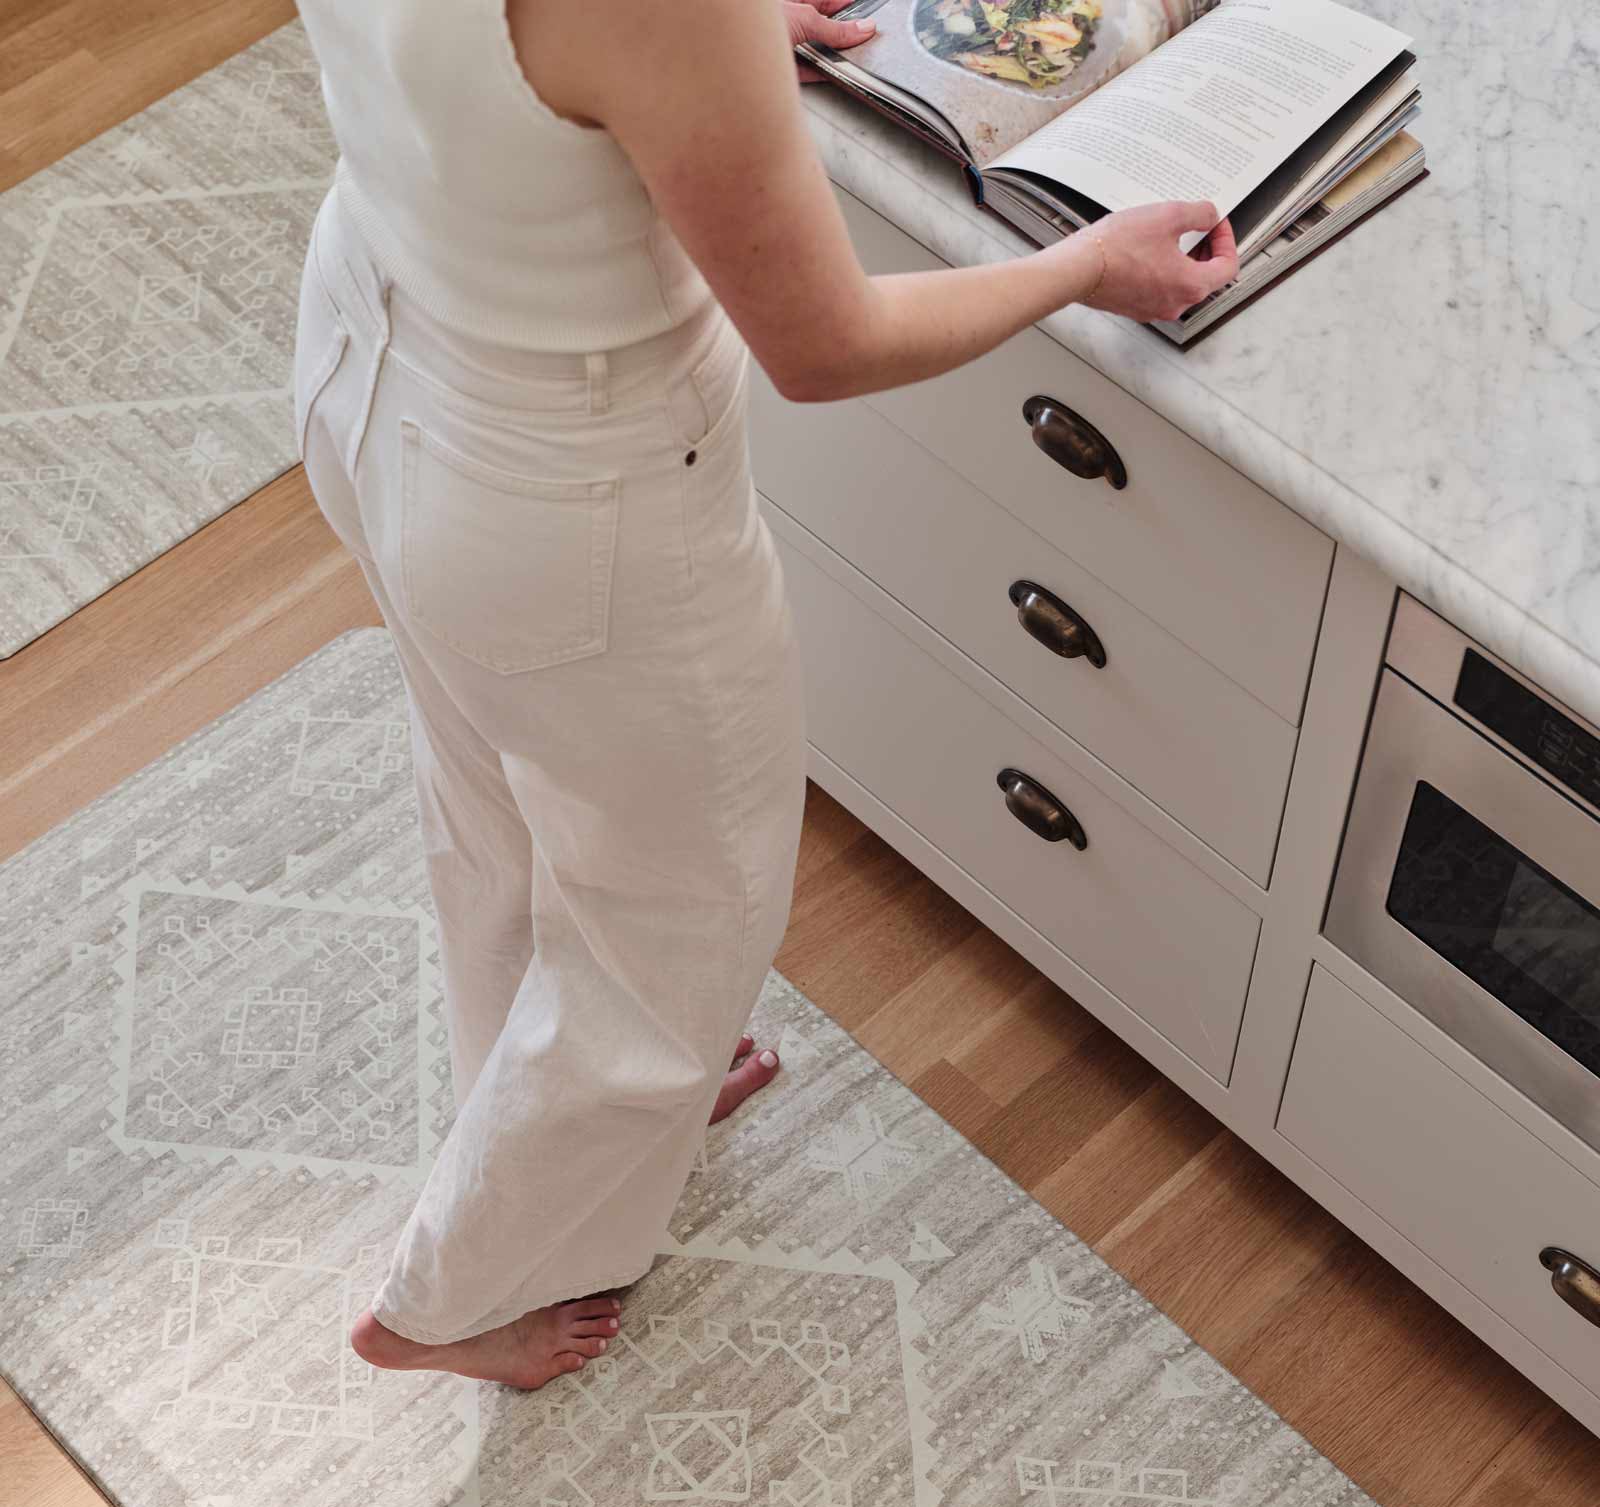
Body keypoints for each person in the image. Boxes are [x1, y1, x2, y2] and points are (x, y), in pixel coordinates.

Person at [289, 0, 1237, 1393]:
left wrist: (685, 72)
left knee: (493, 796)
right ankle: (454, 1296)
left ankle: (567, 1137)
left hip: (372, 343)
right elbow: (827, 342)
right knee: (681, 930)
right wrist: (1082, 264)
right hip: (566, 490)